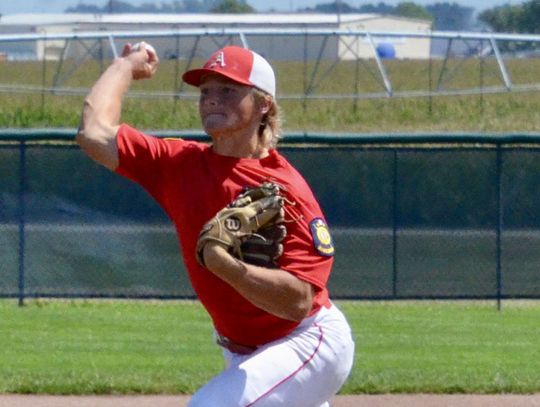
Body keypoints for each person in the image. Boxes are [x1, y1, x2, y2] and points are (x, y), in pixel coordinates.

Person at [76, 42, 354, 407]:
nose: (212, 99)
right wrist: (125, 66)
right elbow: (93, 133)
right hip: (243, 352)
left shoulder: (287, 191)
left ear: (264, 104)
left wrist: (229, 267)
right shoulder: (179, 165)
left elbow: (299, 302)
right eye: (206, 91)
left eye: (228, 90)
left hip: (305, 342)